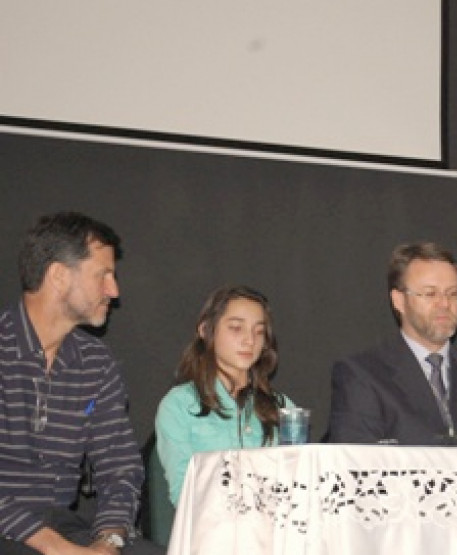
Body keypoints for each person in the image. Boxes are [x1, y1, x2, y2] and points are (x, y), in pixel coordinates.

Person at [0, 212, 164, 554]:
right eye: (103, 275)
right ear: (59, 276)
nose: (114, 291)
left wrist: (108, 541)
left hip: (62, 527)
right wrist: (54, 547)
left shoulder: (96, 363)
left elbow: (119, 467)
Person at [327, 242, 457, 447]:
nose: (445, 304)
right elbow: (355, 463)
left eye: (453, 294)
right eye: (430, 294)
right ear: (399, 300)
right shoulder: (362, 376)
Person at [155, 285, 294, 506]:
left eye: (259, 331)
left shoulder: (283, 407)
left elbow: (300, 482)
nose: (250, 340)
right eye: (236, 328)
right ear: (205, 330)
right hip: (211, 530)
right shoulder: (179, 405)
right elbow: (184, 493)